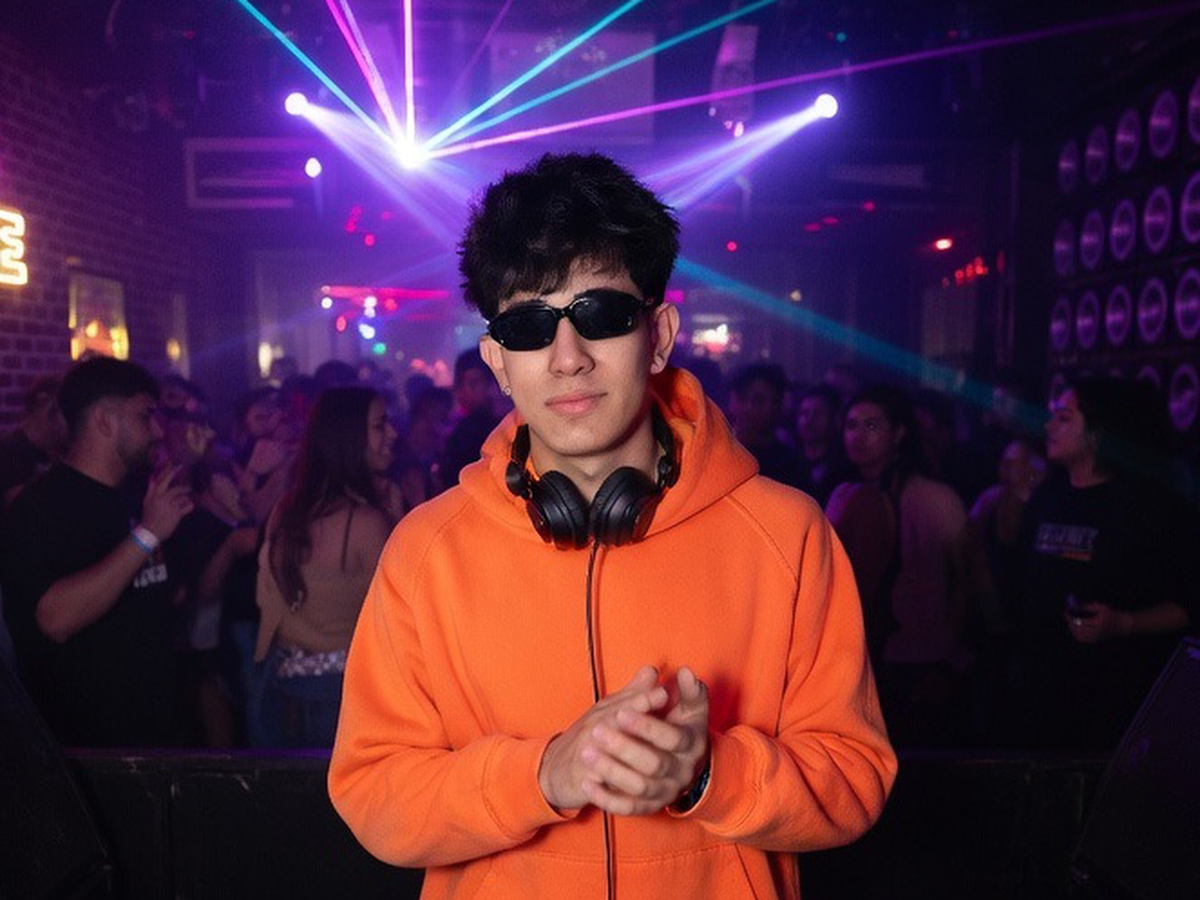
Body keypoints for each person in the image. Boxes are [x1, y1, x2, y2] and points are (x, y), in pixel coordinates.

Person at [328, 153, 895, 899]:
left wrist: (708, 774)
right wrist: (542, 775)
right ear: (497, 361)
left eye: (600, 315)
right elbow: (374, 793)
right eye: (530, 326)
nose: (568, 358)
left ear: (658, 335)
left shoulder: (787, 534)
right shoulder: (426, 552)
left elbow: (855, 779)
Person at [0, 358, 193, 746]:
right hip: (88, 747)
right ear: (105, 420)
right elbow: (55, 619)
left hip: (158, 732)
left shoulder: (139, 494)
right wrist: (147, 535)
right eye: (145, 416)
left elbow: (174, 595)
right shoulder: (41, 506)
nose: (157, 430)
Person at [1014, 377, 1198, 750]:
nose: (1048, 426)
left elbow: (1187, 604)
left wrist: (1123, 623)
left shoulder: (1146, 508)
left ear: (1097, 436)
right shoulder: (1046, 497)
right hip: (1041, 699)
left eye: (1064, 418)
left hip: (1112, 705)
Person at [827, 384, 971, 746]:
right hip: (859, 661)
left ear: (899, 433)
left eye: (872, 425)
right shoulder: (842, 495)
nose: (858, 436)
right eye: (851, 425)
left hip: (921, 661)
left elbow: (969, 582)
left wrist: (951, 663)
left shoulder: (936, 498)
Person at [254, 386, 395, 747]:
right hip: (340, 697)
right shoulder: (366, 523)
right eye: (380, 425)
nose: (392, 434)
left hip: (281, 686)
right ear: (350, 438)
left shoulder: (287, 511)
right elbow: (398, 621)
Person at [726, 362, 804, 488]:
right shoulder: (716, 455)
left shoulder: (791, 467)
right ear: (733, 401)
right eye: (742, 397)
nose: (749, 406)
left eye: (759, 400)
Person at [439, 347, 502, 487]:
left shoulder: (501, 428)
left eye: (476, 382)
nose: (487, 389)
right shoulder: (463, 433)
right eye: (473, 383)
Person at [794, 382, 850, 506]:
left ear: (835, 419)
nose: (809, 420)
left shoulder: (846, 469)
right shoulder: (786, 463)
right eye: (804, 413)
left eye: (818, 414)